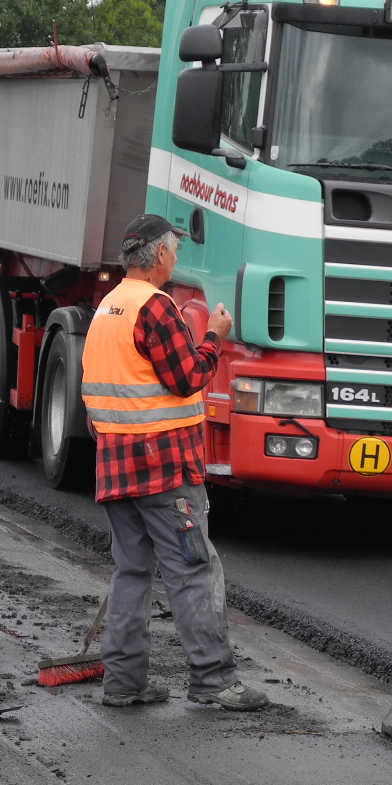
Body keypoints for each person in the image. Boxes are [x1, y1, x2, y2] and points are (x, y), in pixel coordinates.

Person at [80, 213, 268, 712]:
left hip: (116, 464)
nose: (177, 257)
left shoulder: (107, 307)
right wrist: (216, 335)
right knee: (193, 570)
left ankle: (123, 683)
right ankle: (214, 681)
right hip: (163, 466)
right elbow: (188, 377)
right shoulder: (155, 306)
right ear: (160, 254)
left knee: (131, 572)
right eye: (176, 250)